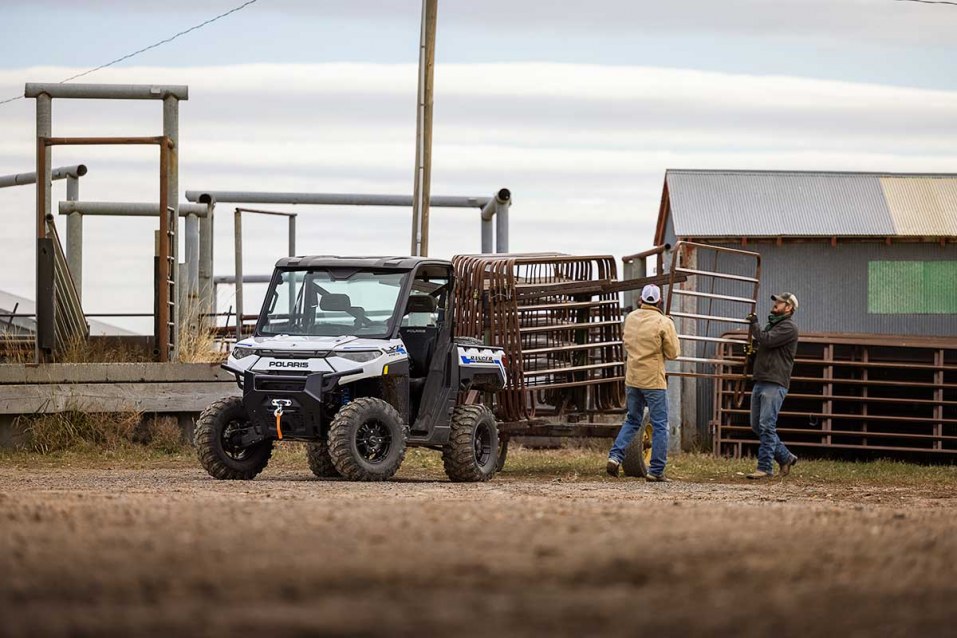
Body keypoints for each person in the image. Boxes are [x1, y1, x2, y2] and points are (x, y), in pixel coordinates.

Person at [606, 284, 680, 482]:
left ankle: (615, 456)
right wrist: (670, 327)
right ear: (658, 301)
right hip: (653, 380)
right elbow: (673, 353)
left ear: (641, 300)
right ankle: (656, 470)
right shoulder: (663, 322)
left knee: (632, 420)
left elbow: (627, 342)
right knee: (660, 424)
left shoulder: (630, 318)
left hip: (633, 378)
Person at [745, 292, 800, 479]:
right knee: (756, 425)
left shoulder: (789, 328)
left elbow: (767, 339)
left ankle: (764, 467)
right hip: (763, 379)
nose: (776, 304)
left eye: (780, 302)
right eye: (776, 301)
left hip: (775, 382)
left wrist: (754, 325)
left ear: (789, 308)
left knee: (766, 426)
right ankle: (785, 458)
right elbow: (766, 345)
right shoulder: (774, 326)